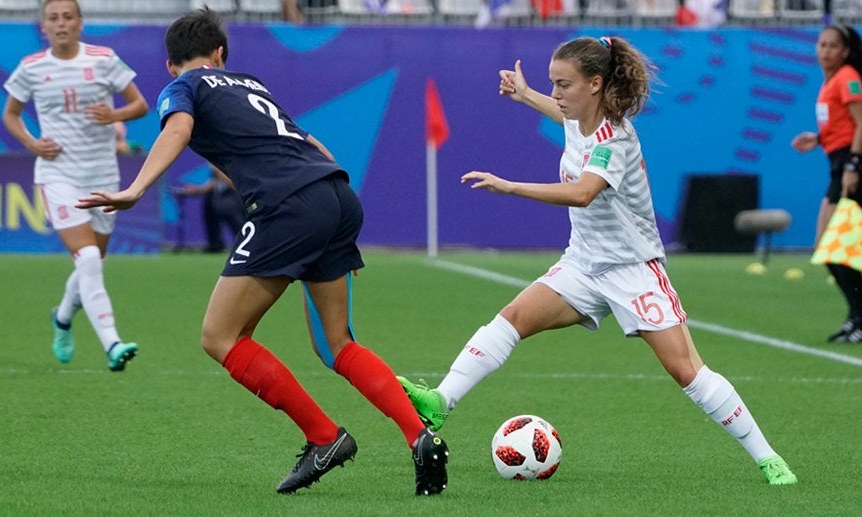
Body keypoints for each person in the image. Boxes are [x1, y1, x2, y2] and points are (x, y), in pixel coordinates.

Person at [76, 7, 448, 496]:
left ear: (171, 66)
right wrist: (329, 219)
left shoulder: (183, 87)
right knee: (338, 344)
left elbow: (176, 130)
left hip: (289, 208)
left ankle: (324, 438)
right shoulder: (248, 83)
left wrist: (136, 188)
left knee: (220, 336)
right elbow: (307, 144)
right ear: (221, 54)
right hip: (333, 193)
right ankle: (420, 437)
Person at [398, 36, 798, 486]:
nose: (556, 93)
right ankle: (440, 401)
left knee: (686, 370)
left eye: (562, 84)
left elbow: (583, 193)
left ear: (594, 84)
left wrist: (510, 186)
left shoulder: (616, 139)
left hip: (634, 270)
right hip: (584, 264)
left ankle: (768, 458)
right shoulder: (578, 117)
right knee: (511, 319)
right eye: (552, 83)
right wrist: (527, 94)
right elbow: (565, 120)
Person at [1, 0, 149, 371]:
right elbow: (11, 114)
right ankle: (112, 343)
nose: (61, 23)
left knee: (92, 262)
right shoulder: (31, 68)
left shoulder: (103, 58)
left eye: (68, 17)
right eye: (54, 18)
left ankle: (63, 317)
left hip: (103, 176)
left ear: (81, 23)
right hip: (58, 175)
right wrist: (33, 143)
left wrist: (113, 114)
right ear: (44, 26)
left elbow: (140, 105)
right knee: (86, 258)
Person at [791, 24, 862, 344]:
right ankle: (856, 317)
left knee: (837, 248)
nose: (825, 51)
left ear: (846, 51)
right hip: (839, 165)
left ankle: (859, 317)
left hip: (850, 167)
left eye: (833, 46)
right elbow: (843, 124)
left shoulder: (848, 76)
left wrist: (854, 166)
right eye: (821, 44)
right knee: (833, 248)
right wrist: (818, 138)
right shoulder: (832, 81)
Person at [173, 165, 244, 253]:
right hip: (220, 198)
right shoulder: (217, 167)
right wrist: (198, 190)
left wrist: (219, 170)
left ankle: (246, 247)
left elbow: (233, 182)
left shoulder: (232, 162)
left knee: (239, 226)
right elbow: (215, 182)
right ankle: (215, 245)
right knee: (211, 207)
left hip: (234, 198)